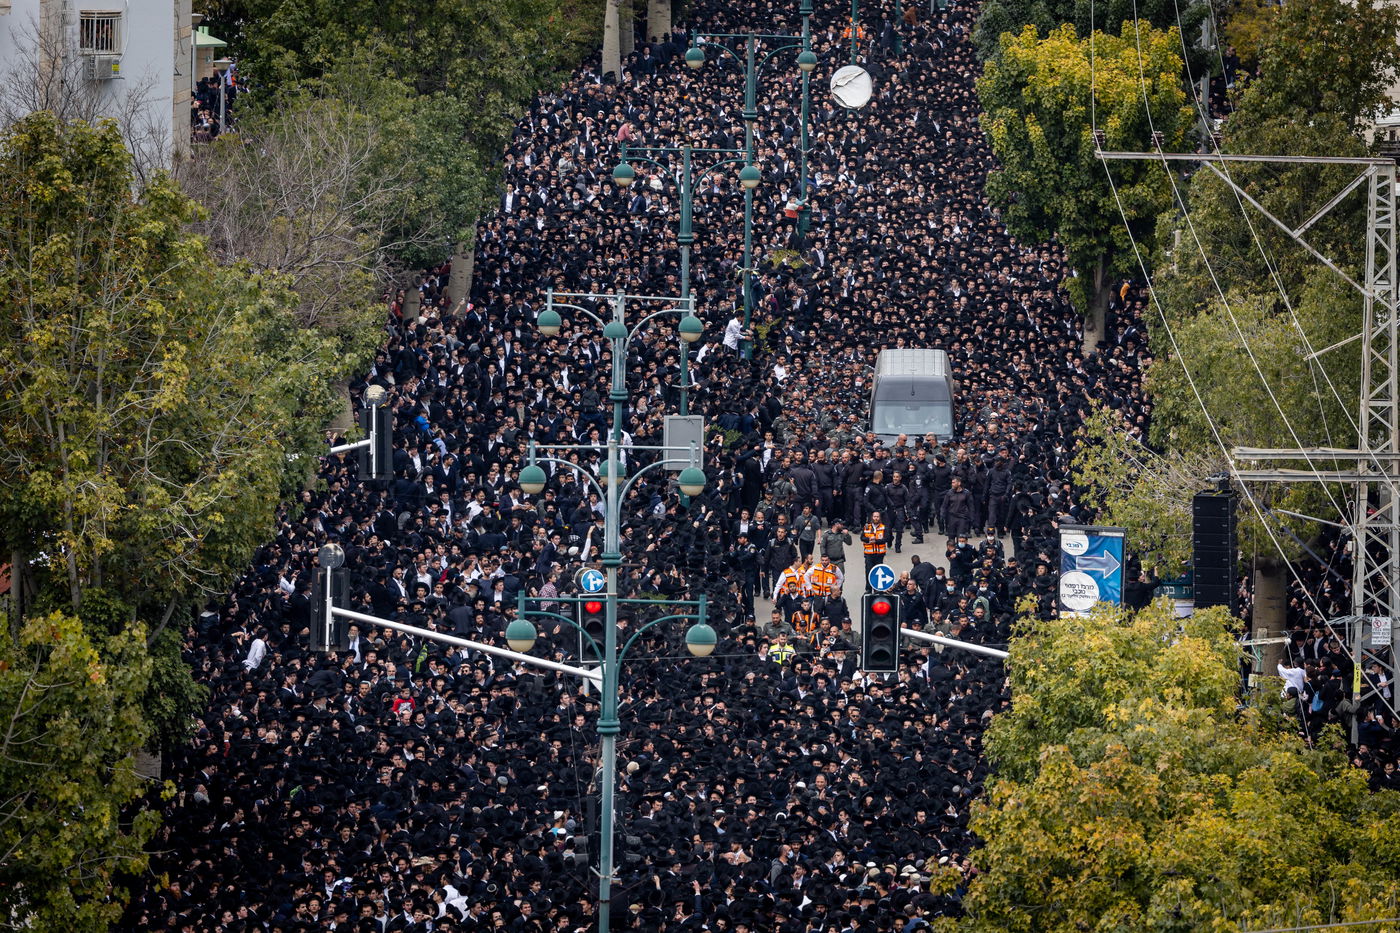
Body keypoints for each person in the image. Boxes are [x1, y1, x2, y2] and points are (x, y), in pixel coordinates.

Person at [862, 510, 890, 579]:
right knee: (868, 571)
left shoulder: (883, 527)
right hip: (869, 554)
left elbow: (886, 539)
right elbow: (862, 538)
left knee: (878, 572)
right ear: (872, 517)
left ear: (880, 518)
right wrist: (869, 539)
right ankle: (868, 586)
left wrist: (875, 541)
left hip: (879, 554)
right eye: (874, 516)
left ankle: (877, 586)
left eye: (877, 517)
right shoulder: (866, 527)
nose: (876, 518)